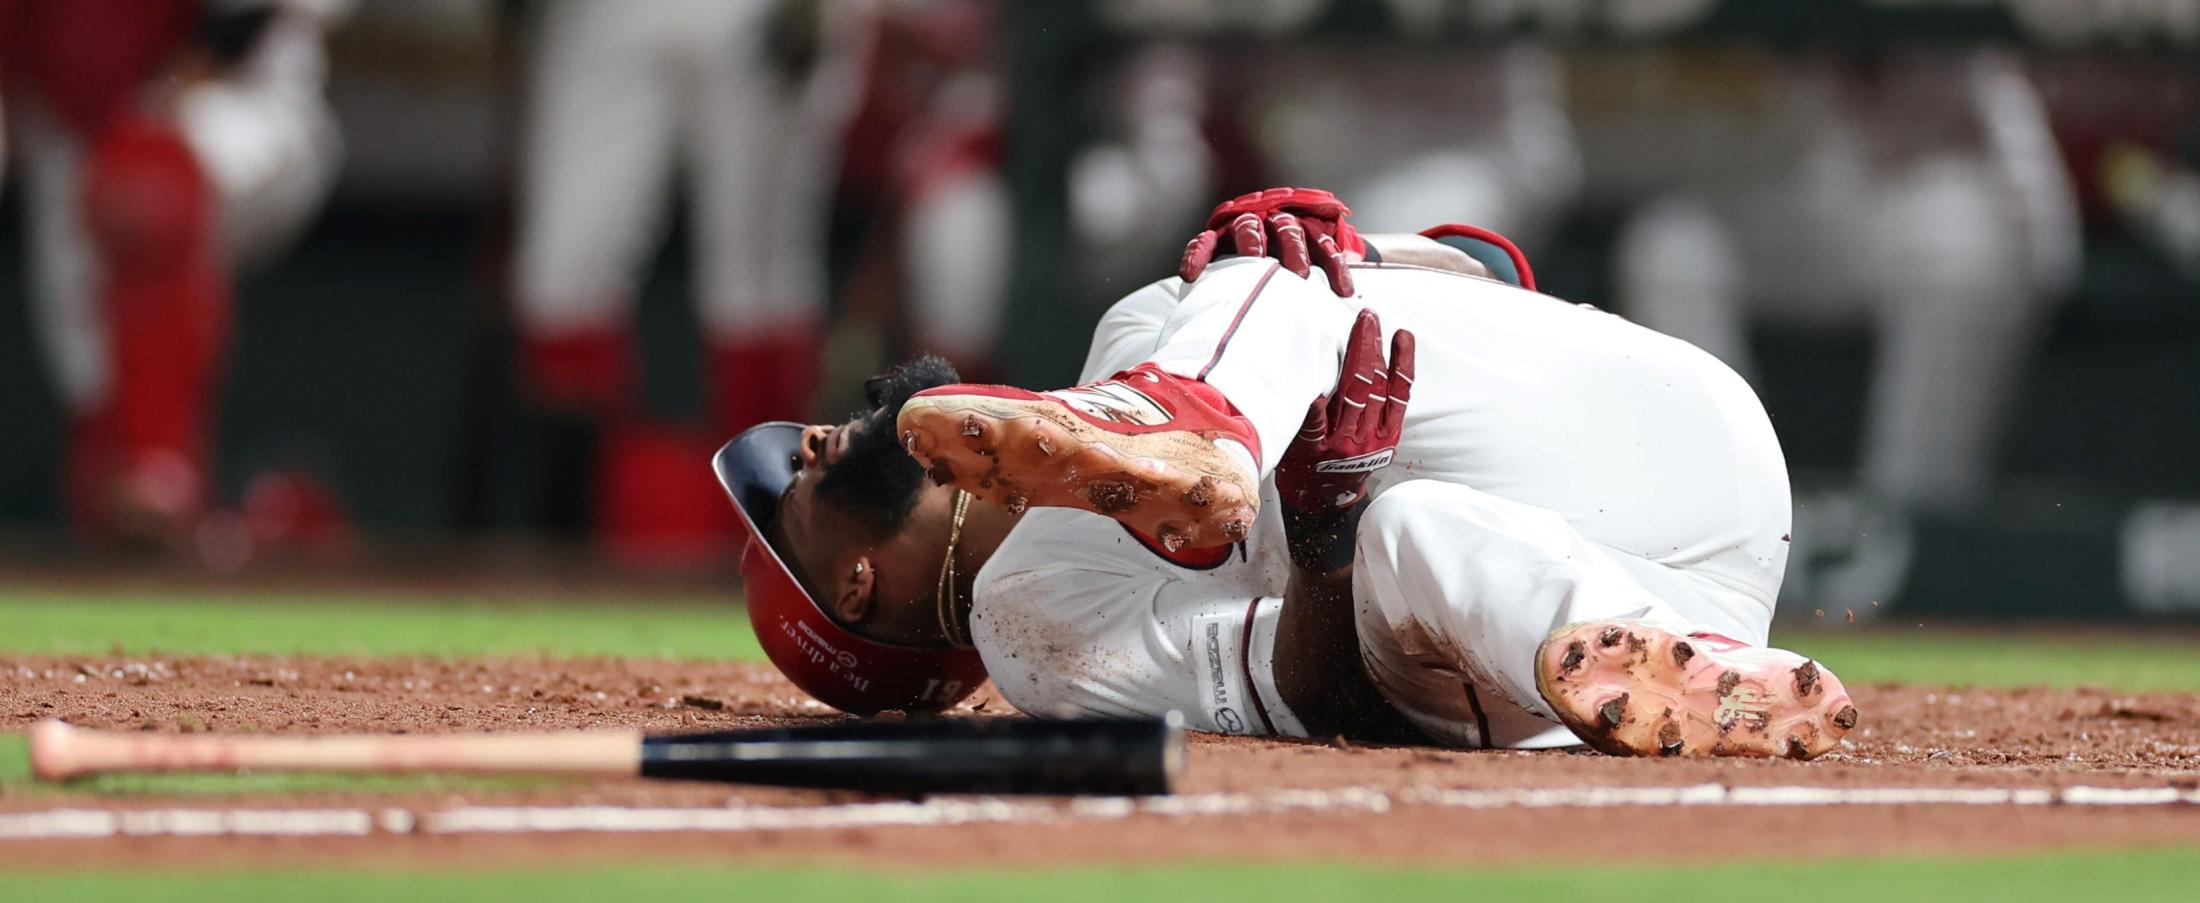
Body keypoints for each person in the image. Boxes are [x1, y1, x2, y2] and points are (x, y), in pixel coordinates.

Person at [719, 189, 1858, 758]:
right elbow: (1316, 697)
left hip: (1651, 423)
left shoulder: (1148, 323)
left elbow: (1481, 271)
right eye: (792, 497)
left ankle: (1188, 423)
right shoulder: (1033, 626)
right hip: (1604, 598)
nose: (808, 441)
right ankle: (1706, 674)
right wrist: (1322, 539)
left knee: (1227, 278)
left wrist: (1345, 248)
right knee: (1403, 533)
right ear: (857, 586)